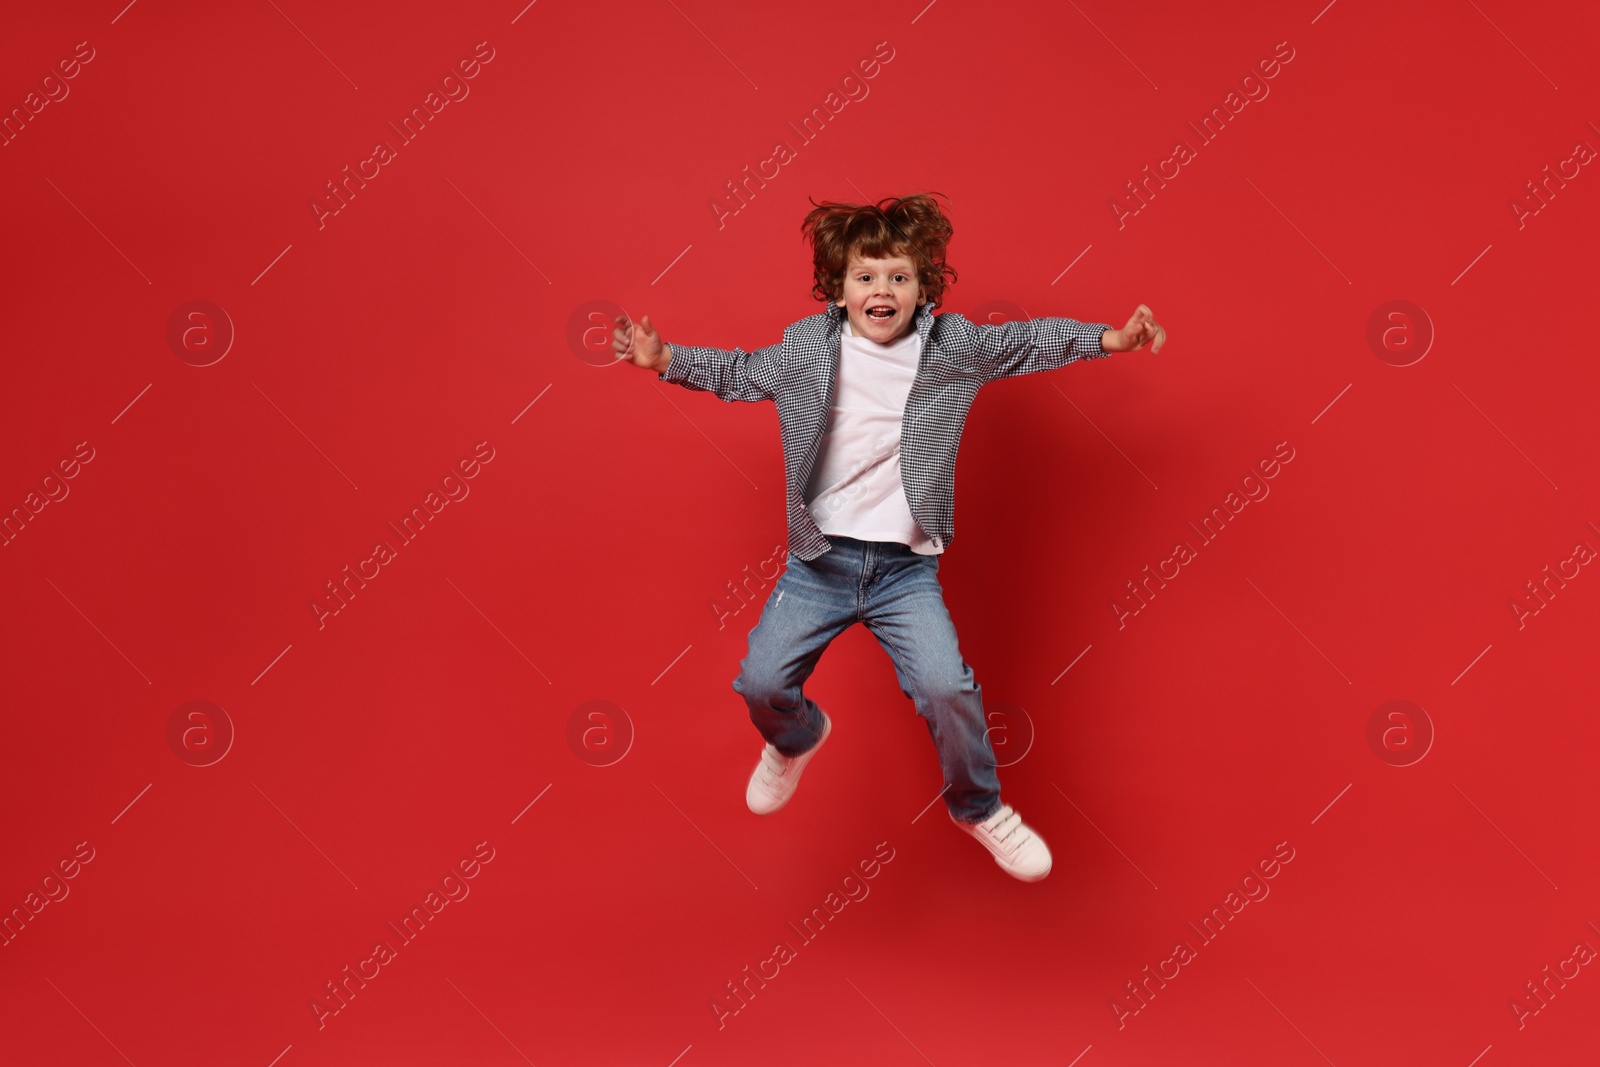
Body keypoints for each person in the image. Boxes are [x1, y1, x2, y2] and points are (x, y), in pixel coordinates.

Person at [613, 192, 1166, 882]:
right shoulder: (807, 350)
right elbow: (738, 371)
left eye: (899, 277)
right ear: (837, 290)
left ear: (922, 289)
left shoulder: (950, 348)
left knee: (947, 687)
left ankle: (979, 806)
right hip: (820, 561)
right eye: (866, 277)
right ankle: (797, 738)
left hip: (905, 570)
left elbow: (1023, 341)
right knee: (761, 681)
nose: (883, 290)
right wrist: (665, 358)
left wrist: (1108, 340)